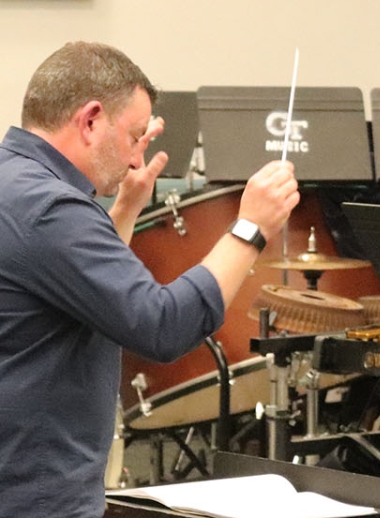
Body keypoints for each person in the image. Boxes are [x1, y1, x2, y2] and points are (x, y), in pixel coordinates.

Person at [0, 42, 300, 517]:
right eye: (134, 135)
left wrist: (124, 210)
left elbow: (81, 294)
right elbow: (162, 327)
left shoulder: (14, 183)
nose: (137, 160)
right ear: (91, 120)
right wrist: (251, 228)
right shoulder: (51, 209)